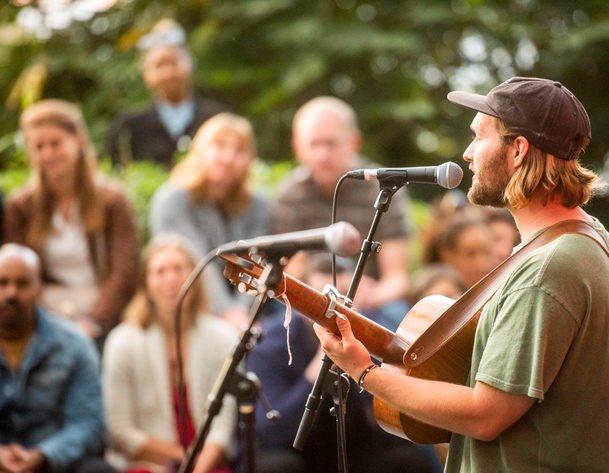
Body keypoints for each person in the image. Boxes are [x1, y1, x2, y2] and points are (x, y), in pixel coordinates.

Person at [314, 77, 609, 473]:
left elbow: (487, 414)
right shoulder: (595, 239)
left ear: (517, 150)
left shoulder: (548, 269)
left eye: (478, 137)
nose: (466, 154)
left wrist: (363, 371)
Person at [246, 255, 437, 473]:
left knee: (411, 464)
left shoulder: (379, 334)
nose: (331, 312)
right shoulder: (271, 343)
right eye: (319, 300)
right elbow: (273, 432)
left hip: (356, 449)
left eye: (343, 299)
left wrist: (363, 368)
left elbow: (392, 424)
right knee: (274, 472)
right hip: (296, 453)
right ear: (299, 301)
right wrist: (318, 369)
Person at [102, 233, 241, 473]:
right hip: (145, 466)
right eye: (160, 271)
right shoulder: (123, 342)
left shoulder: (222, 337)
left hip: (207, 466)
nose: (171, 279)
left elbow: (222, 427)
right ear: (146, 283)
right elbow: (119, 430)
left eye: (179, 269)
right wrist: (181, 456)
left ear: (196, 277)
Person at [4, 99, 139, 345]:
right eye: (39, 146)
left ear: (77, 140)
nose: (48, 154)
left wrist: (92, 321)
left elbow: (124, 272)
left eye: (55, 144)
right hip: (45, 315)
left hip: (102, 315)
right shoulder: (22, 206)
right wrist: (47, 320)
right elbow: (17, 273)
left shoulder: (112, 201)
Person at [270, 96, 411, 324]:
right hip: (310, 297)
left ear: (354, 142)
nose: (322, 155)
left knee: (398, 319)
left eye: (331, 143)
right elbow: (291, 273)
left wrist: (365, 296)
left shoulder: (384, 188)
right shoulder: (290, 193)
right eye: (314, 144)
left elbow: (397, 278)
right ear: (297, 148)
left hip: (370, 301)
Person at [0, 243, 125, 473]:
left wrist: (42, 455)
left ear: (40, 290)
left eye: (22, 284)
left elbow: (87, 422)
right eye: (2, 283)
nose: (11, 293)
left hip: (52, 468)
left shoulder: (74, 344)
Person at [149, 112, 271, 327]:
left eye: (239, 150)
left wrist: (243, 312)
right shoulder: (172, 201)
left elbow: (254, 264)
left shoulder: (258, 205)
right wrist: (227, 313)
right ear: (200, 150)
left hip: (247, 311)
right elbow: (196, 261)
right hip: (189, 307)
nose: (228, 158)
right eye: (220, 146)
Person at [108, 19, 226, 169]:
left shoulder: (219, 120)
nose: (169, 73)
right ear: (146, 73)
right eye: (160, 65)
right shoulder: (127, 129)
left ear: (190, 65)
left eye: (174, 62)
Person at [422, 212, 496, 289]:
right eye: (470, 254)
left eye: (487, 252)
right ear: (447, 256)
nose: (481, 264)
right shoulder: (433, 297)